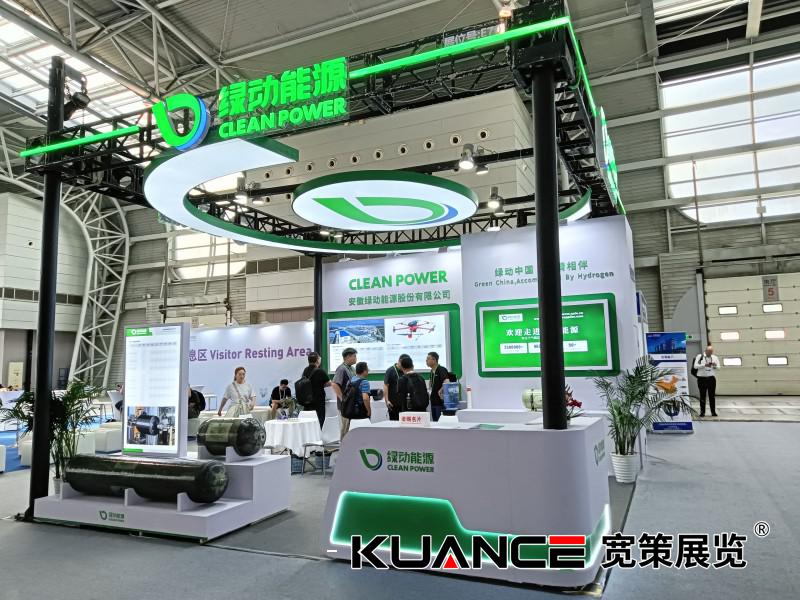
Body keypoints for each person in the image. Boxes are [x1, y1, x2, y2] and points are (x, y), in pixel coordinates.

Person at [332, 347, 358, 439]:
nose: (356, 358)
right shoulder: (341, 369)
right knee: (345, 429)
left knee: (351, 428)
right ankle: (343, 446)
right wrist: (343, 399)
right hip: (345, 406)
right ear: (348, 357)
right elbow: (334, 384)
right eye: (354, 356)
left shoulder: (352, 368)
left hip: (352, 404)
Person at [301, 352, 331, 427]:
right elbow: (329, 383)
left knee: (308, 421)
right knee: (319, 421)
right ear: (317, 360)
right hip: (318, 402)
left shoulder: (305, 370)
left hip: (308, 401)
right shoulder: (320, 371)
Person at [693, 345, 720, 417]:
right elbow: (695, 366)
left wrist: (714, 365)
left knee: (712, 396)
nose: (710, 353)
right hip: (702, 379)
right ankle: (702, 412)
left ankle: (713, 412)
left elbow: (718, 367)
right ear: (705, 351)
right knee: (702, 396)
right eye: (709, 352)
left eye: (711, 352)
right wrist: (704, 365)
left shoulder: (715, 357)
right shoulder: (700, 356)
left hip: (711, 379)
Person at [383, 354, 411, 421]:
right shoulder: (390, 370)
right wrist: (387, 400)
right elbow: (386, 386)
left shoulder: (406, 370)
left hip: (405, 403)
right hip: (393, 403)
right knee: (394, 423)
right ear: (400, 361)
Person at [426, 351, 450, 422]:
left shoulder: (441, 369)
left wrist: (441, 390)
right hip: (433, 401)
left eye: (428, 359)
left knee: (440, 422)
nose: (426, 360)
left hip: (440, 402)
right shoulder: (431, 371)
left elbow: (447, 382)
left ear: (434, 360)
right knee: (435, 422)